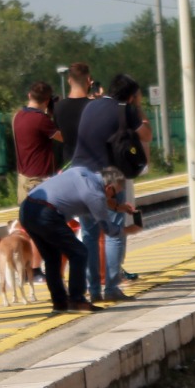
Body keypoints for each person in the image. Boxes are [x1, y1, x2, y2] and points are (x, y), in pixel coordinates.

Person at [71, 74, 149, 302]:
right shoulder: (126, 111)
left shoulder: (90, 106)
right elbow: (147, 135)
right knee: (113, 233)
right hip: (109, 173)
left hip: (80, 171)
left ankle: (93, 291)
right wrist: (139, 109)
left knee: (89, 234)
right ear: (132, 96)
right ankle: (112, 288)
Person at [18, 166, 130, 313]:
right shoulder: (96, 194)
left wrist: (116, 208)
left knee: (52, 258)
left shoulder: (82, 171)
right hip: (46, 213)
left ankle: (60, 303)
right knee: (79, 252)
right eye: (114, 194)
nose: (112, 198)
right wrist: (128, 230)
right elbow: (107, 228)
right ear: (109, 187)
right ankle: (77, 300)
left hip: (26, 209)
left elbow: (88, 205)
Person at [12, 81, 62, 201]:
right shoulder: (41, 120)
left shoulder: (17, 116)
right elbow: (64, 137)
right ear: (47, 101)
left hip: (23, 179)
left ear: (29, 95)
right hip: (39, 181)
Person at [54, 62, 92, 168]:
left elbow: (58, 134)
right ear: (88, 80)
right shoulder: (94, 107)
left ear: (69, 81)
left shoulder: (58, 107)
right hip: (92, 163)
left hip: (70, 164)